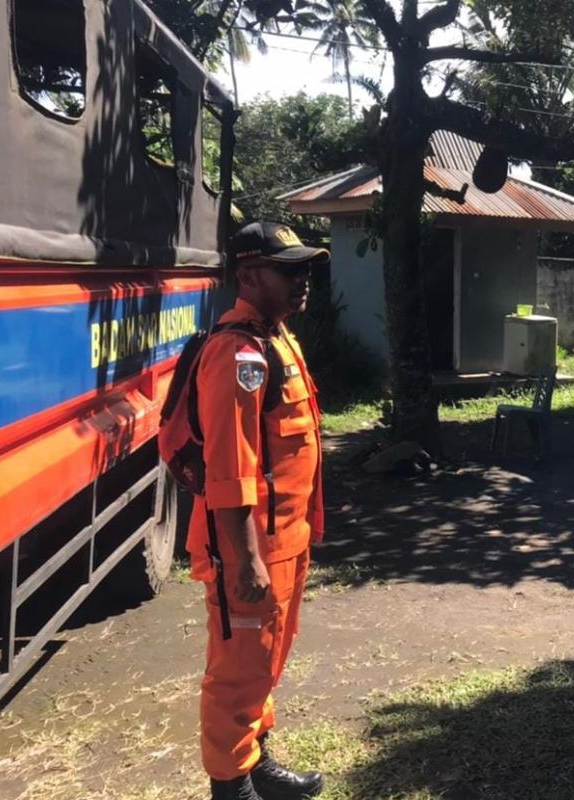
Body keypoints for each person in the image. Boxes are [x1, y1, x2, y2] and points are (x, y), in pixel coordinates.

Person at [189, 221, 329, 800]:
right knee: (238, 670)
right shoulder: (236, 354)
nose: (303, 281)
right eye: (288, 270)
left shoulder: (278, 339)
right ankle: (230, 787)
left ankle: (255, 762)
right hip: (252, 550)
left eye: (305, 270)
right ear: (249, 275)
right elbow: (229, 468)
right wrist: (245, 559)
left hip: (287, 541)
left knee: (267, 660)